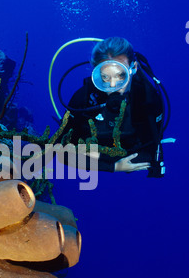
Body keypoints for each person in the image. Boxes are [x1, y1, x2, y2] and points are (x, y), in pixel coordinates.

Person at [56, 36, 165, 177]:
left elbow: (152, 149)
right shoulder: (82, 100)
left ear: (134, 68)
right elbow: (62, 152)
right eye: (105, 77)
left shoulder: (148, 99)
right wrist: (113, 167)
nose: (113, 86)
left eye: (121, 75)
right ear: (95, 73)